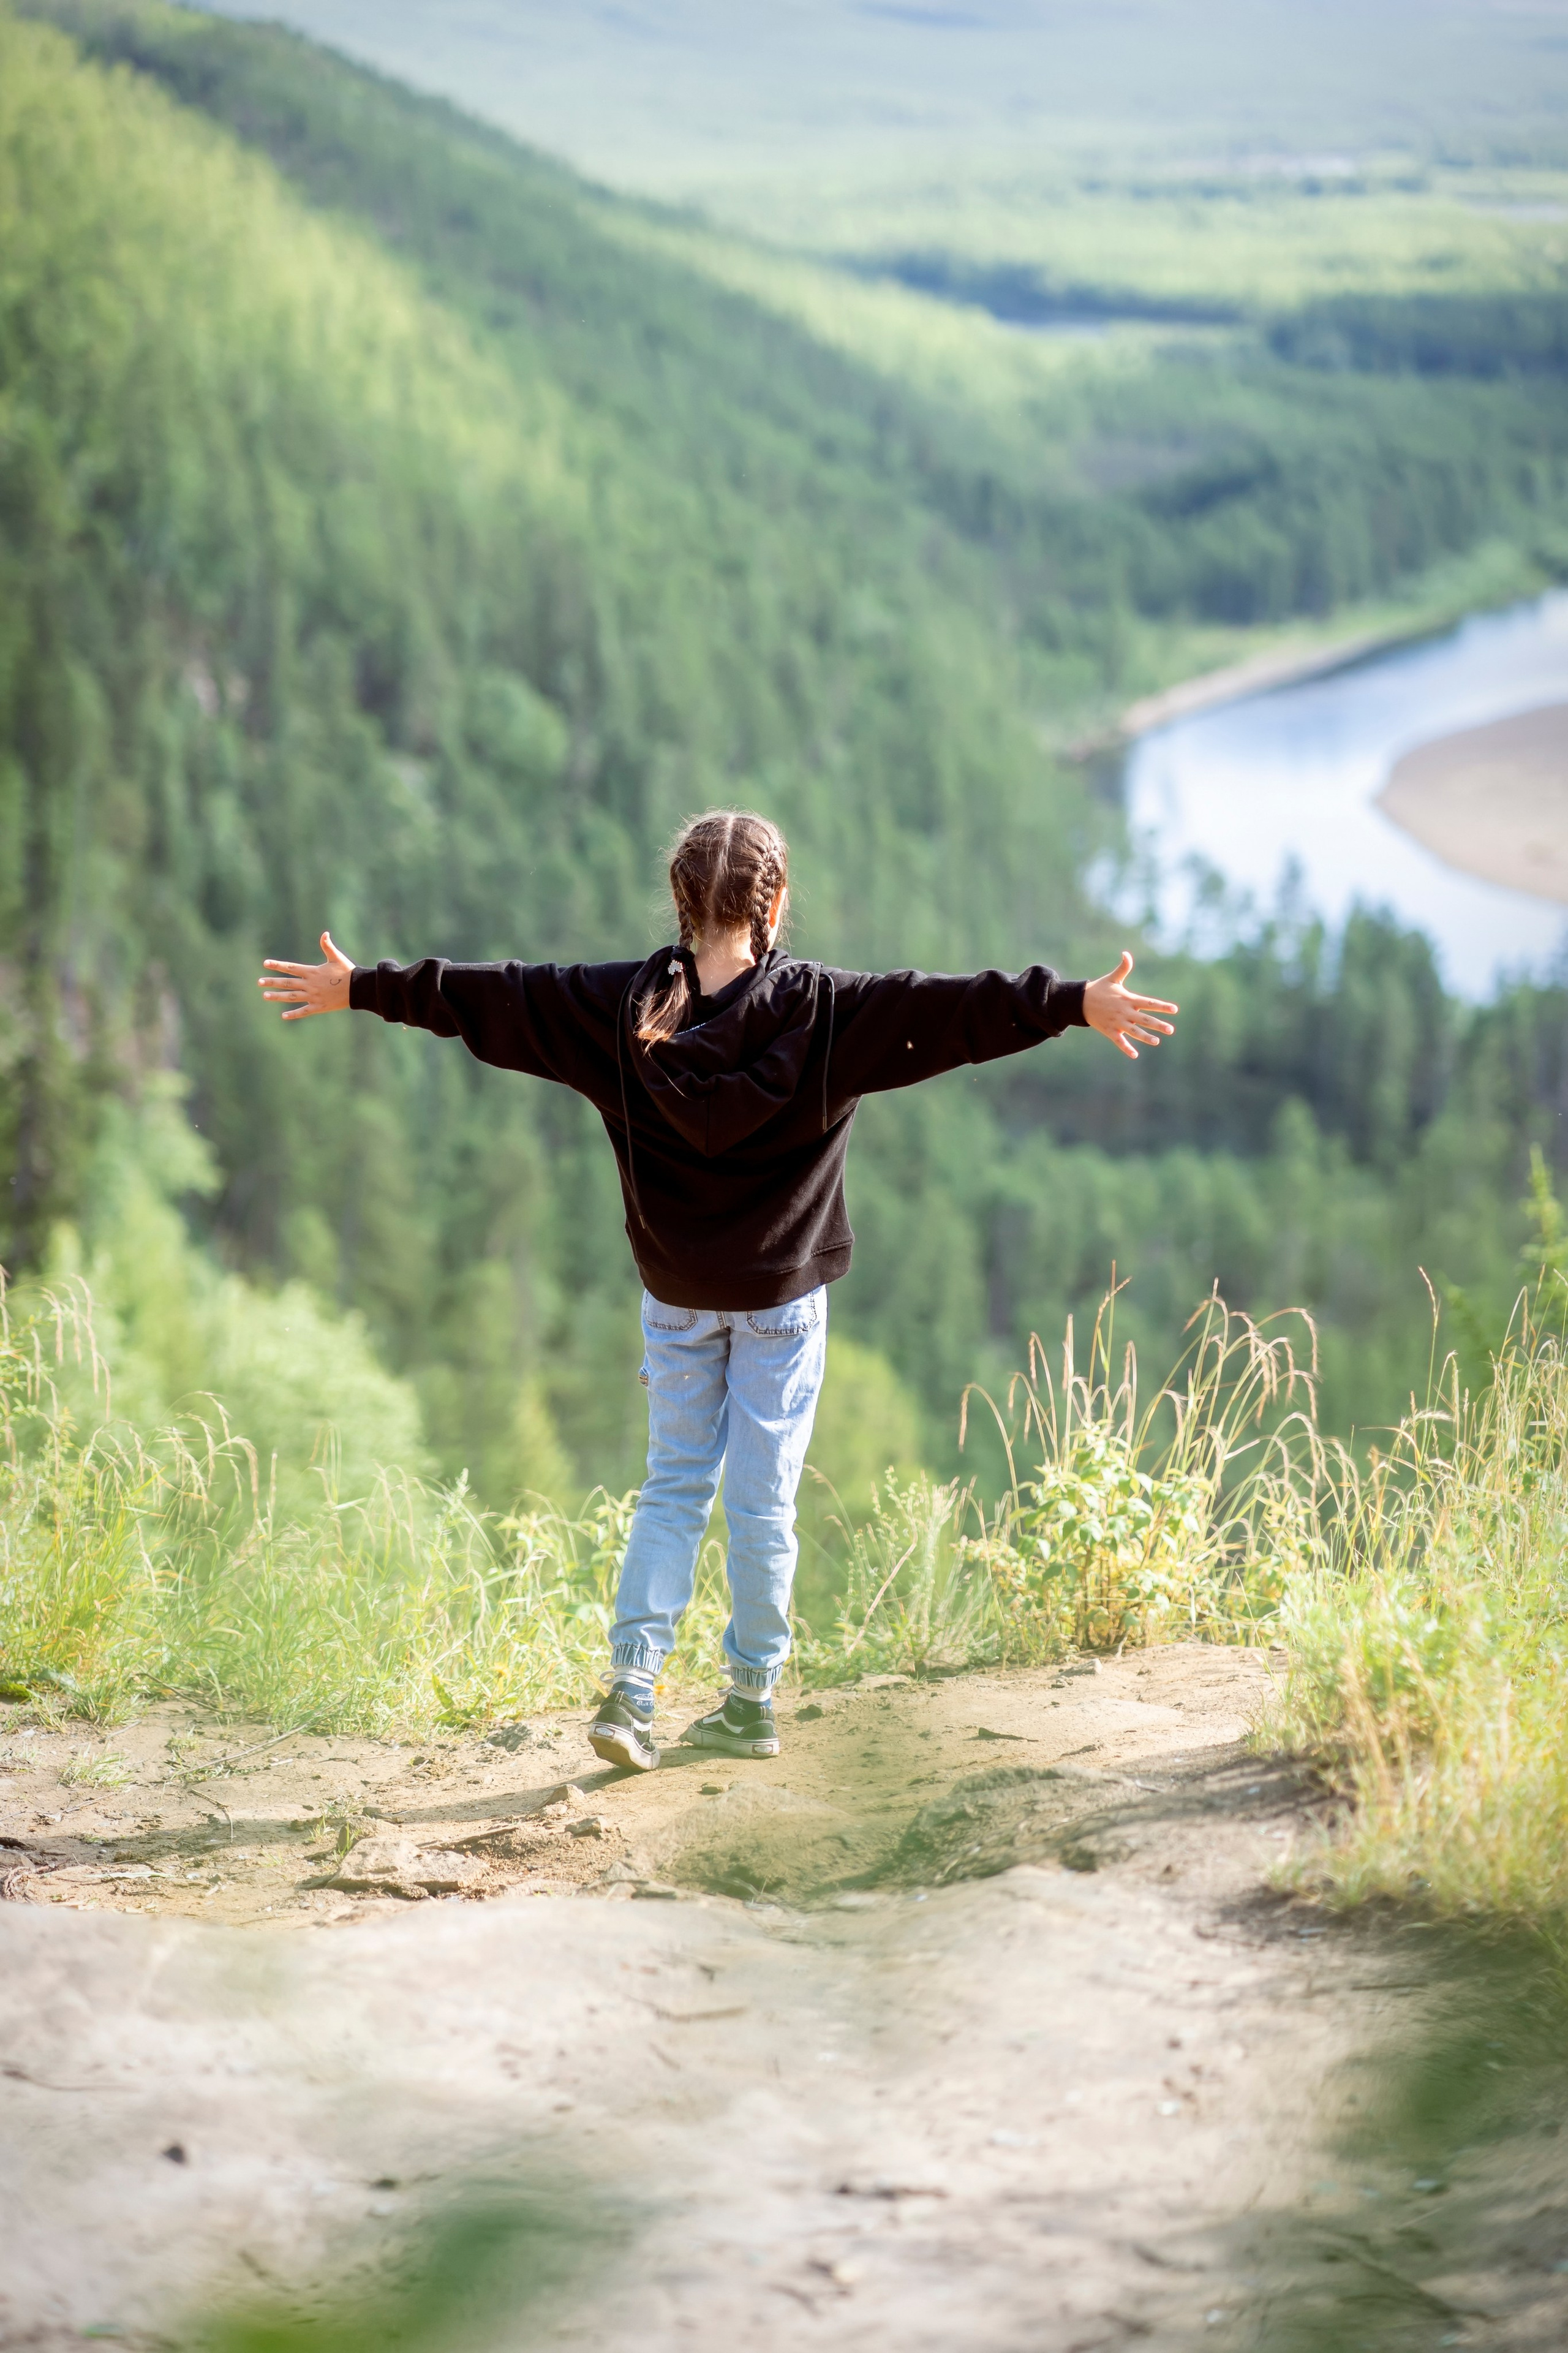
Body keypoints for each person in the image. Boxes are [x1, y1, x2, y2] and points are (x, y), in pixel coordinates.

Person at [259, 809, 1177, 1772]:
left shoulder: (616, 1010)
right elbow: (953, 1010)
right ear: (773, 902)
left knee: (673, 1486)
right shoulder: (827, 1011)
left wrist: (362, 986)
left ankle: (633, 1690)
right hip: (782, 1304)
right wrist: (1074, 1001)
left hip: (678, 1296)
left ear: (680, 900)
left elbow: (496, 998)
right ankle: (749, 1700)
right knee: (762, 1501)